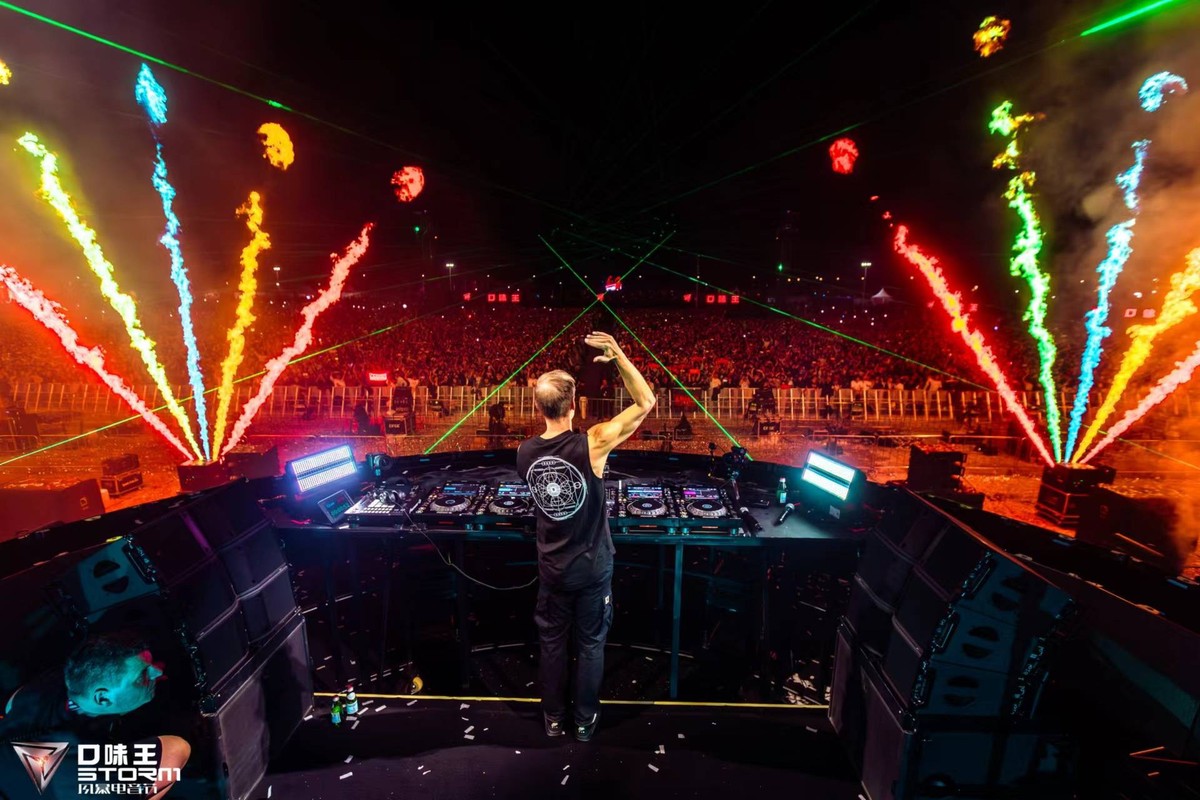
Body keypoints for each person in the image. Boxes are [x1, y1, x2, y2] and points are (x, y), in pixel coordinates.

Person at [515, 331, 655, 743]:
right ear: (575, 406)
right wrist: (619, 356)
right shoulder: (592, 444)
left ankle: (553, 719)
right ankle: (584, 721)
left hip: (552, 570)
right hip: (592, 569)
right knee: (591, 644)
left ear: (539, 408)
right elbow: (646, 402)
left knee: (553, 644)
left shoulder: (524, 453)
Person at [0, 634, 190, 799]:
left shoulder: (52, 683)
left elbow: (12, 702)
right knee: (176, 749)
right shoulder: (92, 772)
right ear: (102, 698)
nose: (158, 671)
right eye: (142, 675)